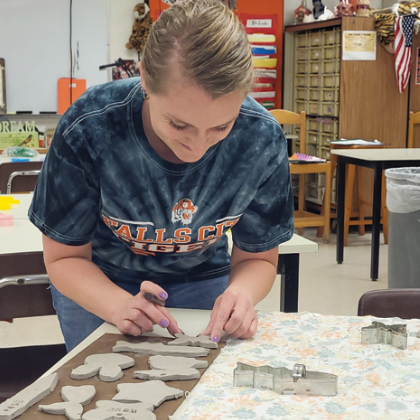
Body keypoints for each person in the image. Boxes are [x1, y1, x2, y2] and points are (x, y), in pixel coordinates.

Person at [29, 0, 294, 352]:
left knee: (200, 400)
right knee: (104, 396)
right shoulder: (89, 127)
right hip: (99, 282)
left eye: (221, 127)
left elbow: (258, 258)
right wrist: (116, 304)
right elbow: (64, 257)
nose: (197, 148)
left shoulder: (260, 138)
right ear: (145, 82)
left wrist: (241, 293)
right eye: (178, 124)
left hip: (203, 279)